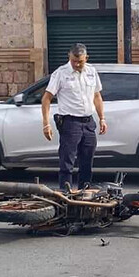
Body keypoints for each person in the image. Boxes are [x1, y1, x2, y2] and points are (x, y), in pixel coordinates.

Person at [41, 43, 107, 190]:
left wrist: (102, 117)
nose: (77, 64)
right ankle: (66, 194)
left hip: (88, 122)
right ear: (69, 57)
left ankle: (85, 192)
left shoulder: (91, 71)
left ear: (86, 58)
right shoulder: (61, 73)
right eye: (74, 61)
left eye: (80, 61)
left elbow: (96, 95)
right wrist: (46, 124)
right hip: (70, 123)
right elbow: (46, 98)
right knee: (67, 162)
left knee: (87, 162)